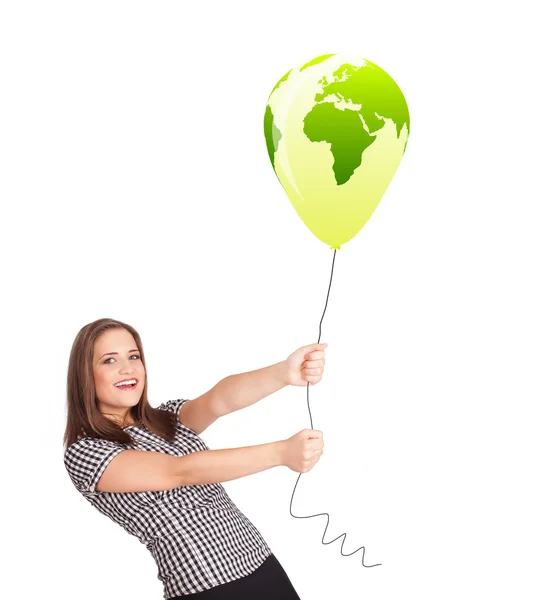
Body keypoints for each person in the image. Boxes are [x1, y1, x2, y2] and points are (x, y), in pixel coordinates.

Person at [63, 317, 327, 599]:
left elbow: (218, 400)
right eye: (109, 361)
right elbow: (180, 471)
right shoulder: (86, 452)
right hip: (207, 584)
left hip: (259, 560)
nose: (128, 368)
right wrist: (280, 453)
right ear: (85, 375)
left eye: (134, 356)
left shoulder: (164, 420)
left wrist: (284, 373)